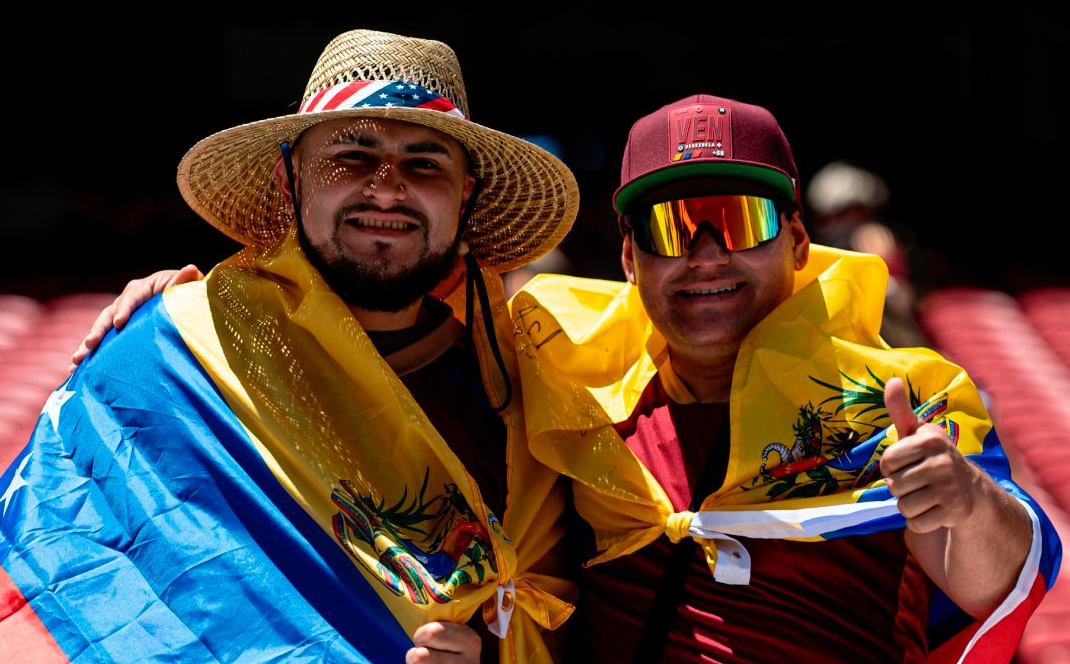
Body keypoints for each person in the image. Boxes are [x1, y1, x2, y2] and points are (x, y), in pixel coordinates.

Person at [71, 94, 1063, 663]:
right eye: (673, 230)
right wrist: (191, 310)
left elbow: (992, 581)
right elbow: (360, 317)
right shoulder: (560, 379)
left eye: (740, 220)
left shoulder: (901, 402)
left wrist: (963, 501)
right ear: (626, 261)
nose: (705, 257)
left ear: (798, 242)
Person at [1, 28, 581, 664]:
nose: (387, 190)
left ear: (465, 195)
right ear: (290, 179)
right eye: (352, 156)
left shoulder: (533, 389)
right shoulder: (168, 357)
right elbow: (50, 588)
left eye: (424, 165)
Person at [806, 159, 929, 348]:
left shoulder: (874, 238)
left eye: (844, 213)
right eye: (826, 217)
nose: (832, 225)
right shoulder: (816, 254)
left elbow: (902, 301)